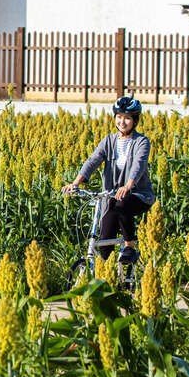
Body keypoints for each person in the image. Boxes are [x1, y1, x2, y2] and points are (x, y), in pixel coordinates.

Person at [61, 96, 155, 264]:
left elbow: (138, 166)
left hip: (138, 195)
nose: (122, 122)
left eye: (127, 118)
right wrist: (76, 183)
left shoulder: (142, 142)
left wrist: (128, 185)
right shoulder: (109, 141)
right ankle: (109, 279)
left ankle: (129, 247)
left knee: (122, 203)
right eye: (119, 117)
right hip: (111, 197)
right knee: (105, 240)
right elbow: (93, 161)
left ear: (135, 120)